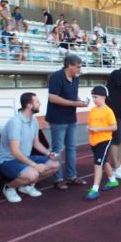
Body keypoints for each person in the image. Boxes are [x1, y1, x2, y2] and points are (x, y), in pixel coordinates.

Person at [0, 93, 59, 203]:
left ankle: (26, 186)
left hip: (24, 157)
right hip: (7, 160)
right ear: (30, 106)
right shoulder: (15, 122)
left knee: (54, 165)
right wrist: (35, 165)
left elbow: (36, 143)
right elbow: (15, 152)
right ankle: (9, 188)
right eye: (37, 102)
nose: (40, 104)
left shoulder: (34, 120)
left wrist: (48, 153)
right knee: (33, 173)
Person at [46, 53, 89, 190]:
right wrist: (74, 104)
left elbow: (73, 95)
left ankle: (71, 176)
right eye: (77, 67)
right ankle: (58, 179)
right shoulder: (56, 77)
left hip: (71, 118)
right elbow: (53, 98)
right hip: (58, 119)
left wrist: (80, 101)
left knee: (71, 148)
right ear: (69, 65)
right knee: (57, 149)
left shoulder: (75, 78)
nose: (79, 69)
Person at [86, 86, 119, 200]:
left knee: (98, 164)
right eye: (93, 97)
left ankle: (95, 189)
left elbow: (114, 127)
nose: (94, 99)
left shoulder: (108, 111)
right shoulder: (92, 111)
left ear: (103, 97)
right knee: (103, 161)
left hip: (104, 140)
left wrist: (98, 129)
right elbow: (90, 125)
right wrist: (90, 129)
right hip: (94, 141)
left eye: (96, 97)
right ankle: (113, 181)